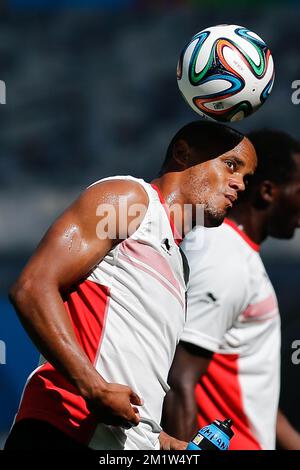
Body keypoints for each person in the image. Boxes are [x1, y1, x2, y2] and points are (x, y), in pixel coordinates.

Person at [4, 120, 256, 450]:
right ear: (182, 153)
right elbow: (33, 287)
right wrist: (93, 387)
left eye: (246, 178)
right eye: (231, 165)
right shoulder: (131, 199)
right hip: (65, 429)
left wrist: (165, 443)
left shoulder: (181, 266)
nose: (239, 184)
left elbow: (132, 382)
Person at [162, 130, 300, 450]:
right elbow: (179, 380)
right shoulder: (223, 253)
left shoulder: (240, 254)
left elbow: (254, 396)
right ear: (267, 192)